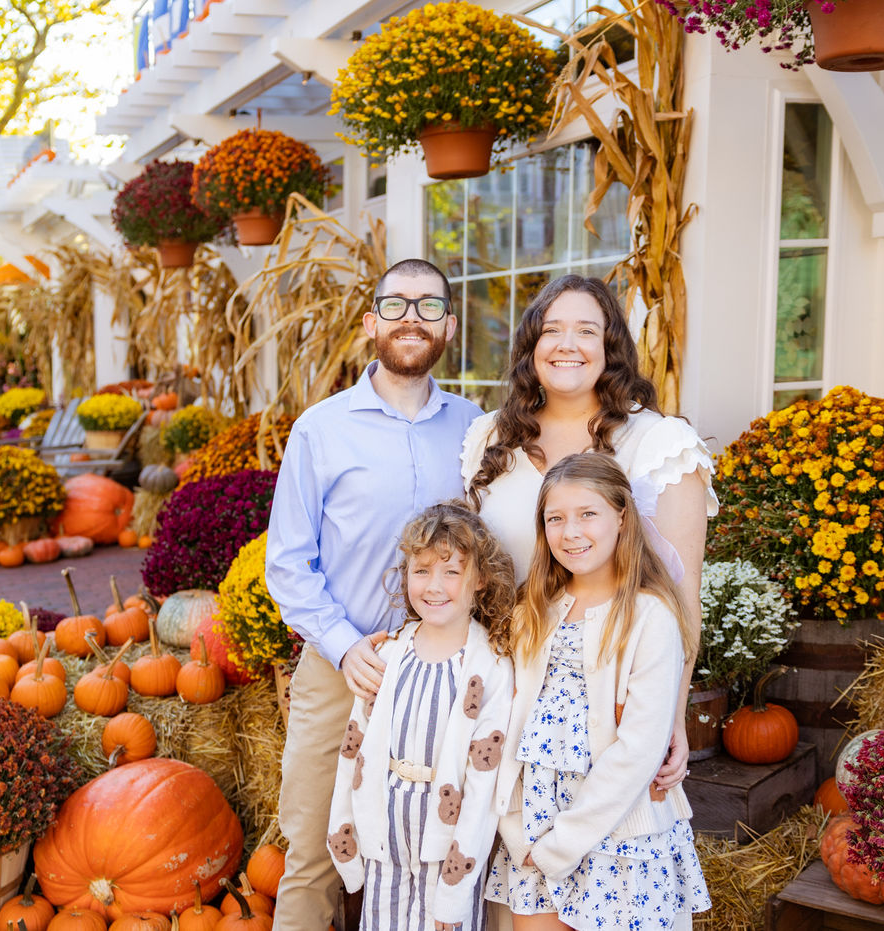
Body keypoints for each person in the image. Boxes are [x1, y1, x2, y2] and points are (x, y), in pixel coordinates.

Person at [267, 258, 483, 931]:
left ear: (449, 325)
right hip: (344, 670)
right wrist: (343, 645)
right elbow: (288, 563)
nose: (411, 318)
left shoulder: (477, 430)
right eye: (395, 305)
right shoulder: (321, 429)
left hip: (449, 676)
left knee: (439, 853)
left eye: (428, 305)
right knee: (312, 852)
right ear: (371, 323)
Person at [460, 274, 717, 791]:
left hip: (607, 698)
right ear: (531, 346)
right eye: (551, 330)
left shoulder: (659, 443)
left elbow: (682, 595)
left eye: (586, 331)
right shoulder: (489, 436)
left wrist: (671, 712)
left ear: (610, 346)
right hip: (499, 691)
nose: (567, 344)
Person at [484, 452, 710, 930]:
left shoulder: (650, 616)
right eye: (556, 518)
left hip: (619, 831)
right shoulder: (532, 611)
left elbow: (638, 750)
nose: (571, 532)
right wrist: (516, 828)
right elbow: (504, 723)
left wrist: (563, 845)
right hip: (536, 827)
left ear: (622, 517)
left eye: (588, 514)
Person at [327, 502, 516, 931]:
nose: (434, 586)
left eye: (452, 572)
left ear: (481, 579)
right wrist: (344, 832)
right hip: (384, 839)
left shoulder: (489, 668)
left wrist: (454, 894)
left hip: (446, 848)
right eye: (422, 571)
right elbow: (353, 750)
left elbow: (482, 786)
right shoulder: (387, 654)